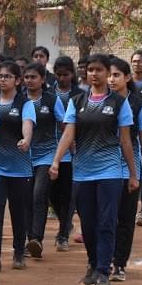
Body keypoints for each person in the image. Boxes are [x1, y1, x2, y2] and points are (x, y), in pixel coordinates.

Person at [51, 53, 137, 285]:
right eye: (91, 70)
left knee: (107, 221)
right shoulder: (77, 101)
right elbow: (69, 133)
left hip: (110, 170)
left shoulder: (120, 103)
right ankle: (92, 264)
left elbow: (126, 141)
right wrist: (56, 161)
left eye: (100, 70)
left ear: (107, 73)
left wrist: (132, 174)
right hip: (82, 171)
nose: (94, 74)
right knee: (87, 223)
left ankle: (103, 271)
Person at [106, 57, 142, 282]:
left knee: (125, 218)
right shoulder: (96, 101)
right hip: (103, 169)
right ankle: (101, 261)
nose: (111, 79)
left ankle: (119, 263)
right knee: (104, 218)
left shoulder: (138, 105)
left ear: (127, 77)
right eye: (109, 75)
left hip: (129, 169)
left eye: (116, 75)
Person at [0, 61, 35, 270]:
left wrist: (26, 140)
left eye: (8, 76)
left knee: (18, 212)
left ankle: (18, 253)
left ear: (17, 80)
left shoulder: (25, 104)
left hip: (19, 167)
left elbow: (27, 125)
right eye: (0, 76)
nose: (3, 80)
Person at [23, 62, 63, 259]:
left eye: (34, 77)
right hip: (22, 157)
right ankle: (28, 239)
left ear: (43, 80)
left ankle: (36, 238)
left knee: (39, 195)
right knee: (25, 198)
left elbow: (65, 126)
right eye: (27, 77)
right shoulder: (19, 100)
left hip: (47, 155)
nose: (30, 80)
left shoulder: (52, 100)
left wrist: (68, 151)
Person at [49, 55, 80, 249]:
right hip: (49, 150)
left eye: (66, 75)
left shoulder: (79, 95)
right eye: (58, 75)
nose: (62, 78)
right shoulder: (48, 94)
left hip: (72, 151)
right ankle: (66, 223)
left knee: (67, 194)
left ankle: (62, 235)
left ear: (72, 74)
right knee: (51, 193)